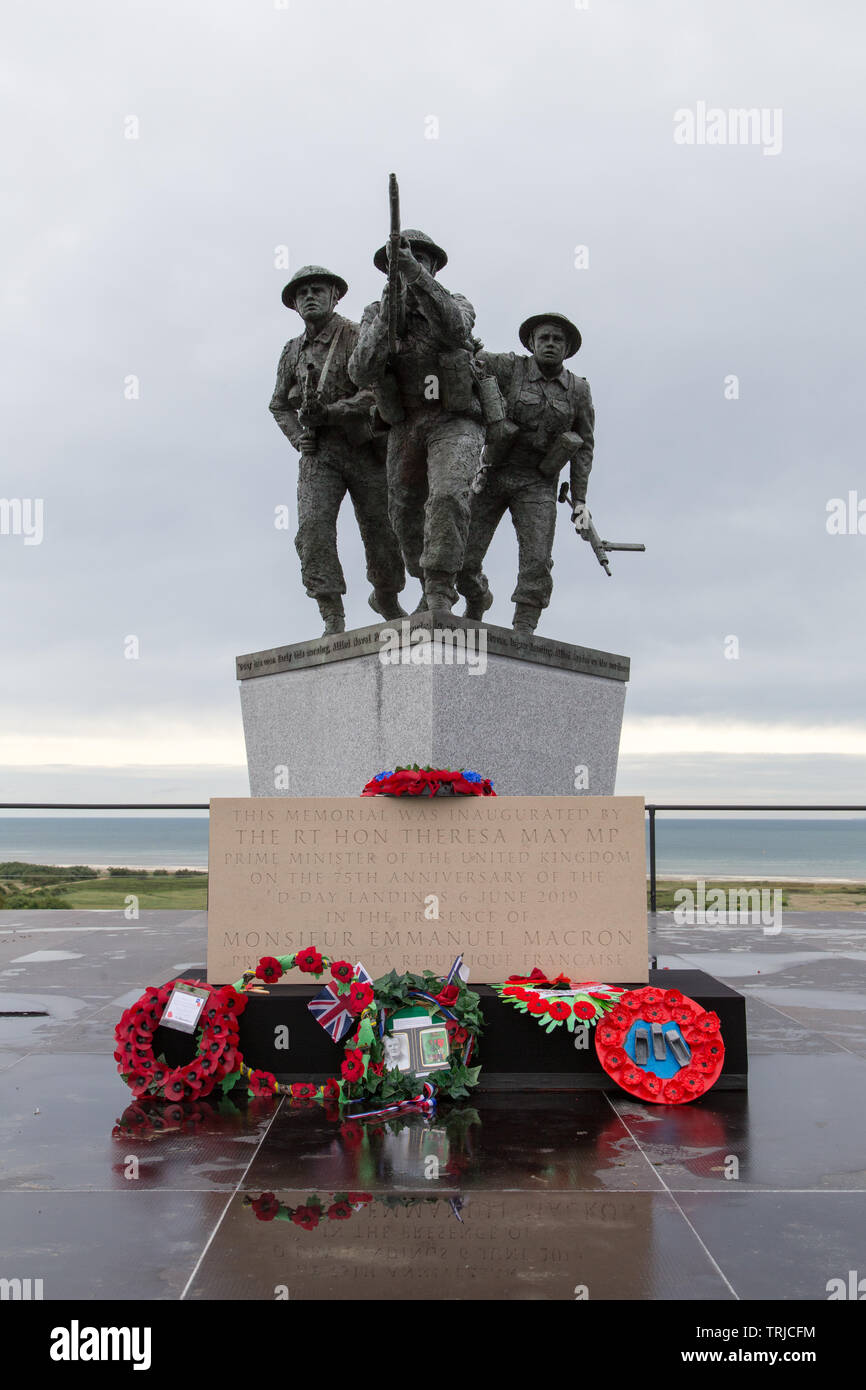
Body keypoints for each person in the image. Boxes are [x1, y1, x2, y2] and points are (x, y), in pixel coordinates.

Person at [348, 231, 483, 617]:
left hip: (453, 420)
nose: (410, 265)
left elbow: (457, 330)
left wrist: (416, 280)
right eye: (401, 260)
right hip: (407, 424)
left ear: (433, 266)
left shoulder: (455, 302)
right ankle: (434, 580)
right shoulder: (377, 313)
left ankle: (441, 587)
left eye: (419, 259)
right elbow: (360, 371)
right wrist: (389, 316)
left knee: (446, 496)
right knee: (404, 514)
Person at [269, 264, 406, 635]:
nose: (309, 297)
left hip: (363, 446)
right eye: (302, 293)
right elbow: (278, 404)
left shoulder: (356, 336)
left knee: (382, 530)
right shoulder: (292, 351)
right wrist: (299, 437)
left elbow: (377, 390)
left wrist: (332, 411)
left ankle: (387, 596)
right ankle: (332, 613)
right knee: (312, 530)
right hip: (320, 454)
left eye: (317, 289)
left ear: (335, 295)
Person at [457, 312, 594, 635]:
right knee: (462, 557)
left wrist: (580, 499)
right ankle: (477, 596)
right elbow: (470, 359)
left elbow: (585, 445)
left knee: (537, 559)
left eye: (557, 340)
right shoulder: (509, 367)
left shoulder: (578, 391)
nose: (550, 344)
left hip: (538, 482)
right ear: (532, 343)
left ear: (568, 348)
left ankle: (525, 627)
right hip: (495, 472)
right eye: (543, 338)